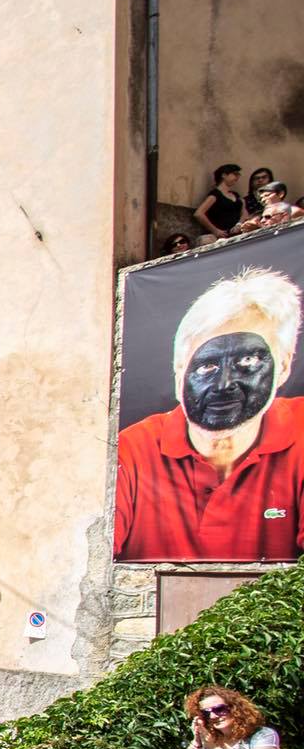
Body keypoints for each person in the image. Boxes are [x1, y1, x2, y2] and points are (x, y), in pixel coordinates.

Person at [114, 266, 304, 563]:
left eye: (248, 360)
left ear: (283, 366)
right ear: (179, 375)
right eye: (207, 366)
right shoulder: (133, 449)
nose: (224, 384)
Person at [194, 162, 247, 239]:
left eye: (238, 174)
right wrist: (215, 230)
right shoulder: (215, 195)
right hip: (224, 234)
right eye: (235, 174)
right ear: (224, 175)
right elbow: (198, 214)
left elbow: (245, 213)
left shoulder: (236, 195)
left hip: (238, 233)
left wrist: (239, 225)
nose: (237, 177)